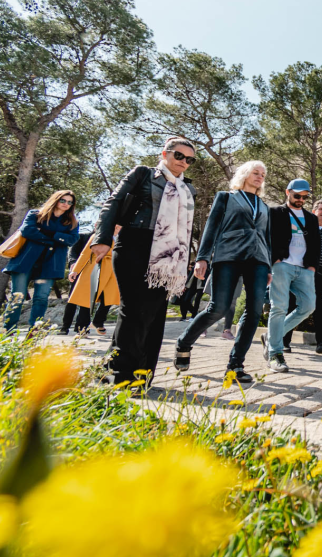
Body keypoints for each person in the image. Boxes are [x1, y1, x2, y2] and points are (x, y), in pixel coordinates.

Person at [94, 137, 197, 385]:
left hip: (168, 254)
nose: (184, 162)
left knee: (154, 313)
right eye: (179, 156)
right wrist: (102, 237)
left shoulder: (188, 188)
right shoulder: (143, 174)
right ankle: (121, 375)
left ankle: (141, 374)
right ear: (165, 153)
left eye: (189, 159)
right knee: (133, 311)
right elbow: (113, 203)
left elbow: (186, 228)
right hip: (134, 245)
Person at [173, 161, 270, 385]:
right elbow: (212, 226)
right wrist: (203, 257)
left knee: (255, 310)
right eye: (255, 173)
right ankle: (184, 343)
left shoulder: (264, 206)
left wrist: (269, 266)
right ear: (245, 174)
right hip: (229, 256)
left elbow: (267, 236)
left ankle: (235, 365)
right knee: (219, 307)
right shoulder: (226, 197)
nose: (259, 177)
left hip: (258, 259)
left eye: (263, 174)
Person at [261, 179, 320, 373]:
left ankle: (271, 337)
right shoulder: (274, 212)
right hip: (282, 265)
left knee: (308, 306)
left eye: (305, 197)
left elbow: (316, 244)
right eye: (297, 196)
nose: (301, 200)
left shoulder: (311, 218)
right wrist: (274, 260)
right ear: (288, 192)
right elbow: (265, 236)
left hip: (304, 269)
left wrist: (312, 267)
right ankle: (275, 353)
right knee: (279, 307)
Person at [2, 190, 80, 332]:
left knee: (41, 298)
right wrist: (56, 238)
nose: (66, 204)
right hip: (25, 261)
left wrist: (47, 233)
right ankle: (8, 330)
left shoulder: (72, 223)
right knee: (17, 297)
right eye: (63, 200)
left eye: (70, 202)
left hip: (51, 264)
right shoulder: (35, 214)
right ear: (55, 200)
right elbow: (27, 231)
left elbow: (72, 239)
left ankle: (34, 332)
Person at [283, 199, 322, 354]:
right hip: (299, 273)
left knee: (318, 308)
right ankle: (282, 341)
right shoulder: (304, 227)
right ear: (314, 210)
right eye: (320, 208)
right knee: (290, 305)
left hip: (319, 277)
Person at [64, 226, 120, 336]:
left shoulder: (122, 238)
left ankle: (98, 321)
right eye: (115, 225)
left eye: (119, 226)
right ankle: (82, 327)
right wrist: (75, 270)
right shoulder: (98, 236)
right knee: (87, 299)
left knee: (108, 298)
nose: (117, 228)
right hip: (94, 268)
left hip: (113, 272)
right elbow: (84, 254)